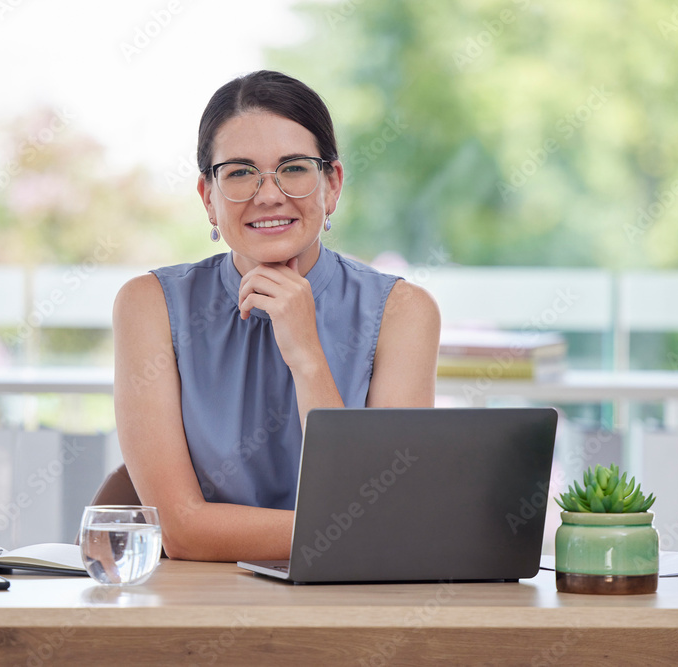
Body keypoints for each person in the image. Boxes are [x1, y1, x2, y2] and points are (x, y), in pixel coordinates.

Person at [104, 70, 440, 562]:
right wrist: (352, 530)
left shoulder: (403, 312)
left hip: (351, 602)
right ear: (208, 198)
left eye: (294, 168)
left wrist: (306, 354)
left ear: (332, 184)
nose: (268, 194)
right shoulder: (148, 304)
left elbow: (381, 512)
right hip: (193, 605)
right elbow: (179, 530)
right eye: (240, 172)